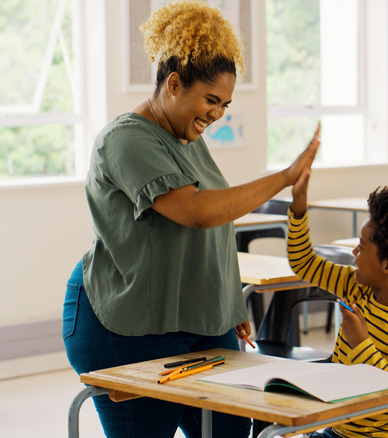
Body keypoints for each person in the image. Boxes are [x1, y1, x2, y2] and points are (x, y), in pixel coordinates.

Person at [62, 2, 319, 437]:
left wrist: (225, 302)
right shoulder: (126, 139)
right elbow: (196, 213)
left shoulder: (186, 134)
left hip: (198, 321)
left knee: (232, 431)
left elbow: (217, 218)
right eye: (211, 100)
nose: (217, 114)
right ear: (174, 84)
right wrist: (283, 177)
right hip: (125, 324)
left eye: (225, 104)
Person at [287, 170, 388, 438]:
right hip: (338, 431)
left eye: (361, 248)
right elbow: (303, 262)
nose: (354, 253)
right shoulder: (356, 287)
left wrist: (361, 344)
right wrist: (298, 210)